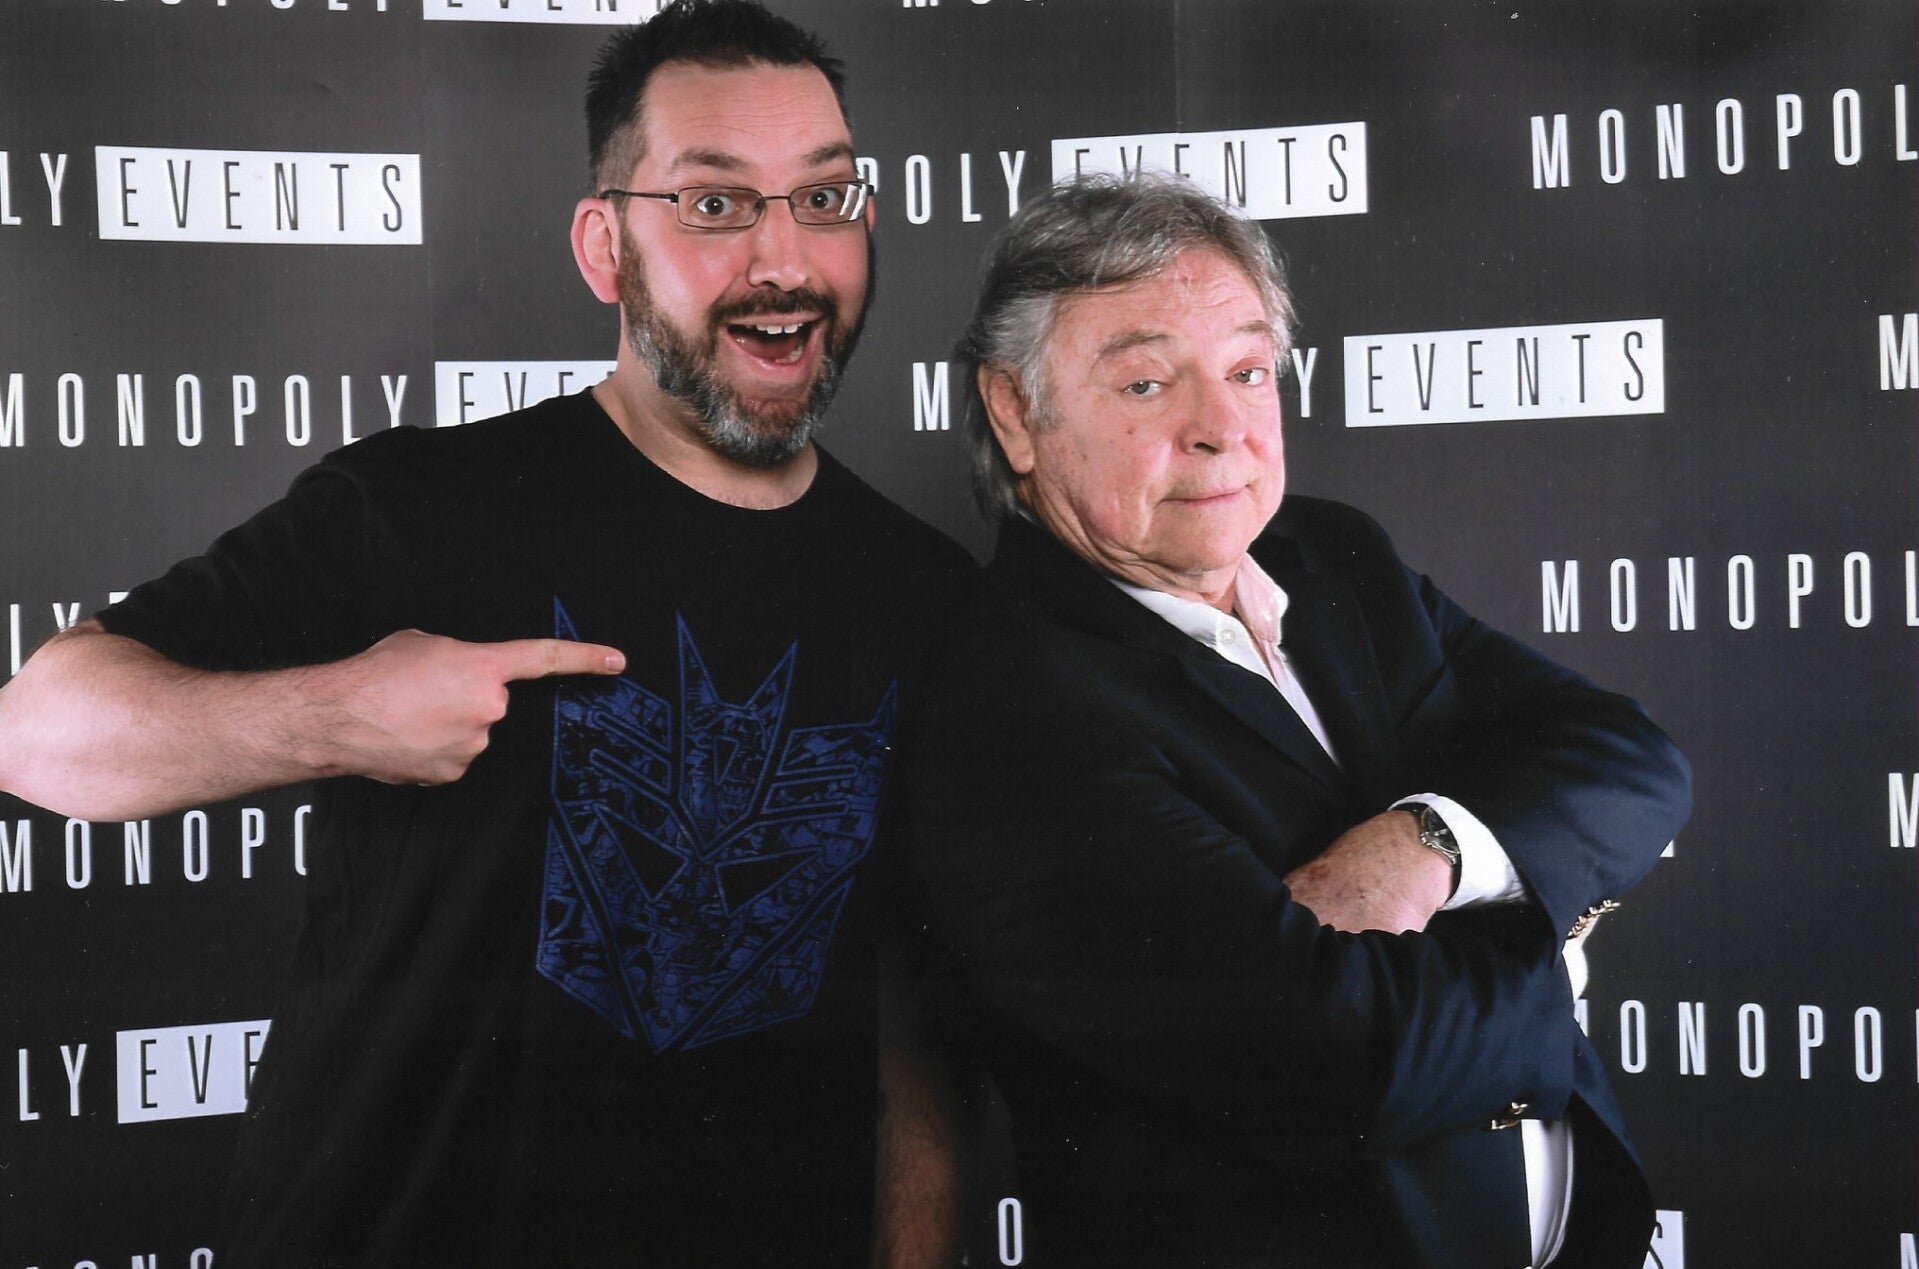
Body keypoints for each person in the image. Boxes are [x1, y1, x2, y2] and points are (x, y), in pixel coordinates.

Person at [0, 2, 973, 1264]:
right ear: (604, 247)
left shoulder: (928, 596)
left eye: (824, 198)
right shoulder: (418, 505)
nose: (784, 258)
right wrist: (340, 717)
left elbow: (918, 1057)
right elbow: (38, 733)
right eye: (714, 204)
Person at [899, 173, 1693, 1268]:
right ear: (1014, 413)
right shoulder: (1011, 719)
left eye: (1244, 371)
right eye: (1144, 383)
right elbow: (1349, 1065)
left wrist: (1424, 847)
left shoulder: (1335, 558)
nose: (1221, 429)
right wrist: (1552, 957)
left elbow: (1631, 759)